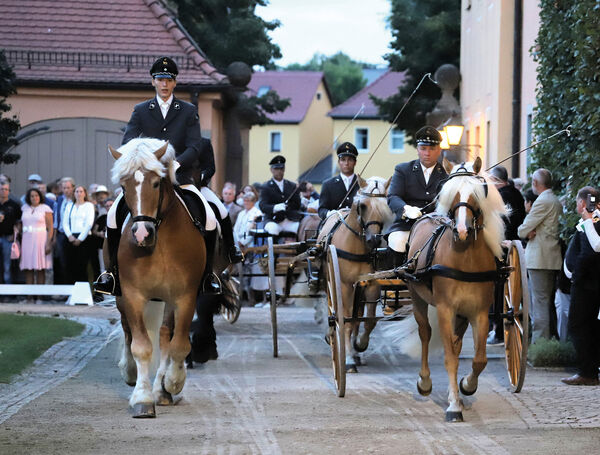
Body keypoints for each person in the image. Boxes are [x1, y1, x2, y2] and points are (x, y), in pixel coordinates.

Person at [94, 56, 241, 295]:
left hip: (179, 178)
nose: (164, 84)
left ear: (175, 83)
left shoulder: (188, 110)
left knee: (214, 216)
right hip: (146, 181)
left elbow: (194, 145)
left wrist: (176, 164)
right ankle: (111, 274)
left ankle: (209, 275)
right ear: (153, 81)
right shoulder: (141, 110)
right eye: (160, 79)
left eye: (168, 80)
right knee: (112, 216)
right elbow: (128, 142)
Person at [386, 126, 448, 265]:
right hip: (407, 224)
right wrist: (406, 209)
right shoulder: (403, 170)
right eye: (423, 148)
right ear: (417, 149)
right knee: (397, 241)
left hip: (437, 226)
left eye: (432, 149)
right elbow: (393, 197)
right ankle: (397, 277)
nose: (427, 153)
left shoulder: (446, 174)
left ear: (439, 150)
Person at [517, 168, 563, 344]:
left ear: (535, 184)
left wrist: (526, 231)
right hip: (550, 256)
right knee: (545, 301)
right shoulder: (554, 199)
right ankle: (547, 341)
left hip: (540, 258)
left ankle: (539, 343)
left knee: (539, 303)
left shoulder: (543, 201)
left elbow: (523, 229)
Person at [561, 186, 600, 386]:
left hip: (586, 285)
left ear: (583, 203)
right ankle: (590, 370)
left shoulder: (592, 220)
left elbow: (591, 251)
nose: (577, 205)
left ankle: (587, 371)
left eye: (578, 202)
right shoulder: (594, 218)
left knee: (578, 325)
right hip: (588, 283)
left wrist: (576, 275)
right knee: (588, 326)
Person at [487, 165, 526, 345]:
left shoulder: (504, 196)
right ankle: (497, 329)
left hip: (504, 246)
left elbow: (503, 223)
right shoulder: (515, 193)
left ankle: (498, 330)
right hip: (511, 245)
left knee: (499, 290)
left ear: (496, 181)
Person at [19, 188, 53, 299]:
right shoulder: (24, 208)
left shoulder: (45, 208)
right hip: (27, 239)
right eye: (32, 196)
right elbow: (21, 224)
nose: (34, 198)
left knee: (40, 268)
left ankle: (39, 297)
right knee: (28, 268)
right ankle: (29, 296)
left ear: (40, 196)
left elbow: (50, 228)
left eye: (36, 195)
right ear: (28, 198)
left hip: (40, 240)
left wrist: (48, 243)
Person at [259, 155, 303, 236]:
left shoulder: (292, 185)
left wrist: (288, 206)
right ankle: (274, 248)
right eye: (276, 169)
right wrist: (275, 207)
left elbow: (297, 204)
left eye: (281, 169)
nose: (279, 171)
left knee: (300, 228)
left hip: (289, 220)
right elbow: (262, 206)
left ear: (284, 169)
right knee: (273, 229)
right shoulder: (266, 187)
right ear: (271, 170)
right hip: (272, 220)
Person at [62, 185, 95, 284]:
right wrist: (70, 236)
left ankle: (82, 292)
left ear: (85, 194)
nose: (79, 193)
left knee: (82, 265)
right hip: (71, 238)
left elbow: (89, 223)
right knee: (69, 265)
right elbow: (65, 223)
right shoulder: (69, 205)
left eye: (81, 191)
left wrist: (80, 239)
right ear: (74, 193)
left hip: (84, 238)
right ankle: (70, 291)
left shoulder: (88, 206)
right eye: (77, 191)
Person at [318, 142, 359, 219]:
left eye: (350, 160)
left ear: (355, 163)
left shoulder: (362, 184)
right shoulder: (328, 185)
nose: (346, 163)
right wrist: (330, 214)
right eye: (343, 160)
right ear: (339, 162)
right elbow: (321, 210)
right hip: (334, 226)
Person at [53, 177, 75, 285]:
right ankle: (64, 287)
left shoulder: (76, 199)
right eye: (64, 188)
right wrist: (54, 236)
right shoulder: (59, 199)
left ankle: (73, 286)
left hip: (73, 234)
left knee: (73, 260)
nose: (66, 190)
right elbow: (56, 218)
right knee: (62, 261)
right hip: (61, 234)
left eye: (68, 188)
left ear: (73, 188)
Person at [0, 180, 22, 283]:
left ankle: (8, 293)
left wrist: (14, 235)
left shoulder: (14, 205)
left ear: (9, 191)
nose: (3, 191)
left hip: (8, 239)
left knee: (7, 265)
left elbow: (19, 222)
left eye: (6, 189)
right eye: (1, 189)